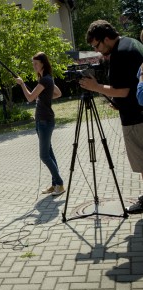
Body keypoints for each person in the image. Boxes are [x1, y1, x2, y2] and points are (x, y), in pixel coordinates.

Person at [79, 20, 143, 213]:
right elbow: (132, 86)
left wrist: (95, 87)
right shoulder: (132, 43)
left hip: (135, 118)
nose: (98, 51)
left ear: (106, 38)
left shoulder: (119, 53)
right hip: (137, 111)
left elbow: (123, 91)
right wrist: (119, 104)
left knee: (141, 161)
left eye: (97, 45)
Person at [15, 52, 65, 196]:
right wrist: (46, 98)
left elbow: (30, 98)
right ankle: (55, 183)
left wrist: (22, 84)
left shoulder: (45, 80)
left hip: (45, 121)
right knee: (49, 152)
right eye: (33, 63)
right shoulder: (46, 79)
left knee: (44, 155)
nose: (34, 66)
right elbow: (58, 93)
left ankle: (60, 184)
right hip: (41, 121)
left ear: (43, 63)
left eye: (36, 63)